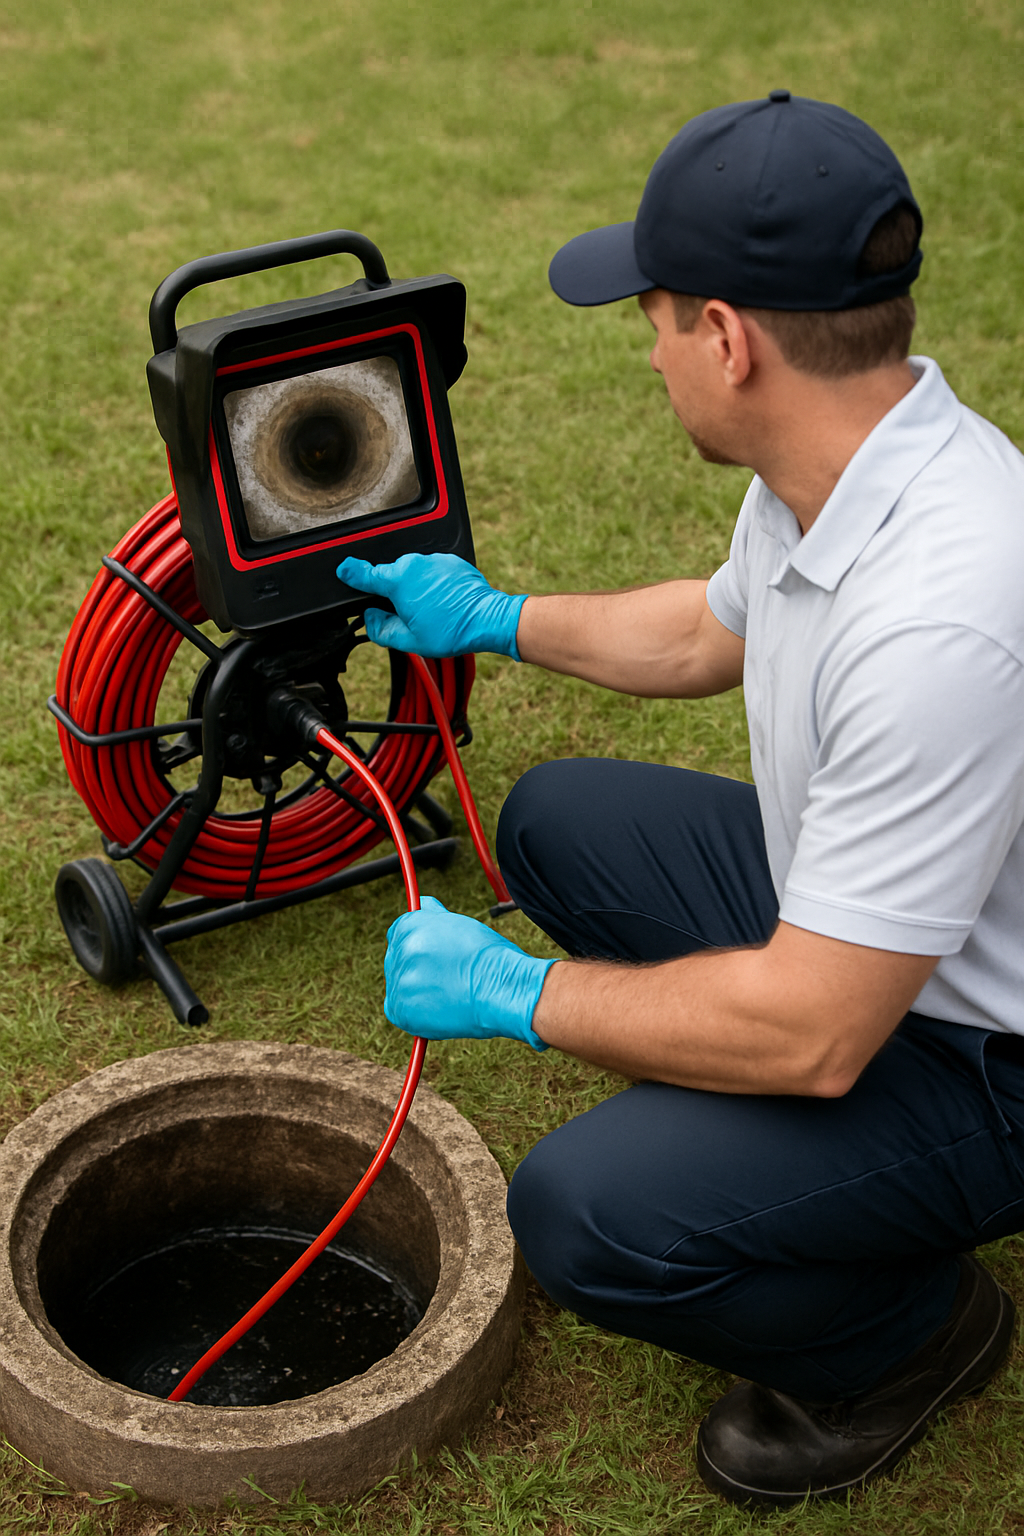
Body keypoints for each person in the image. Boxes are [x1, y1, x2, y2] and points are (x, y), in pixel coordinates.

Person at [337, 91, 1024, 1508]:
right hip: (883, 932)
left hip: (978, 1050)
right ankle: (749, 1139)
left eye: (653, 318)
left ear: (728, 338)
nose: (650, 352)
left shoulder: (943, 623)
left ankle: (913, 1335)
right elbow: (715, 633)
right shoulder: (843, 460)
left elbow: (822, 1032)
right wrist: (494, 615)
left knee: (584, 1212)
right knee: (559, 818)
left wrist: (521, 997)